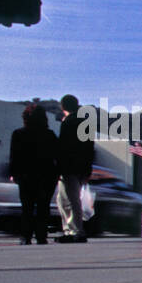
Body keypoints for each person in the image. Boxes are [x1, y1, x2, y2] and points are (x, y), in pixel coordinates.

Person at [9, 103, 58, 245]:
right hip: (46, 175)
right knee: (43, 206)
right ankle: (41, 236)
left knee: (27, 207)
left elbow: (14, 156)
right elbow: (57, 155)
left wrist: (13, 173)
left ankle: (26, 236)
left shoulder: (18, 134)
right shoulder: (50, 135)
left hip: (26, 175)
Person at [55, 94, 94, 242]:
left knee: (67, 200)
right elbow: (90, 147)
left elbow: (63, 147)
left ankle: (74, 231)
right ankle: (73, 230)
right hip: (82, 167)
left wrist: (59, 168)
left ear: (63, 107)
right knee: (72, 198)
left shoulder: (67, 122)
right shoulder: (86, 123)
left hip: (68, 167)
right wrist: (88, 169)